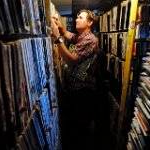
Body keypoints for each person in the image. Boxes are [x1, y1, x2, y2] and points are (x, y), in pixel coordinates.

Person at [51, 9, 100, 150]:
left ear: (90, 22)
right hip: (76, 90)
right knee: (77, 123)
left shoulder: (90, 40)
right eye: (77, 17)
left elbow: (71, 60)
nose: (77, 19)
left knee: (81, 127)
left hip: (83, 92)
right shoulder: (81, 37)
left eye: (81, 17)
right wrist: (60, 28)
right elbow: (69, 35)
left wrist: (57, 38)